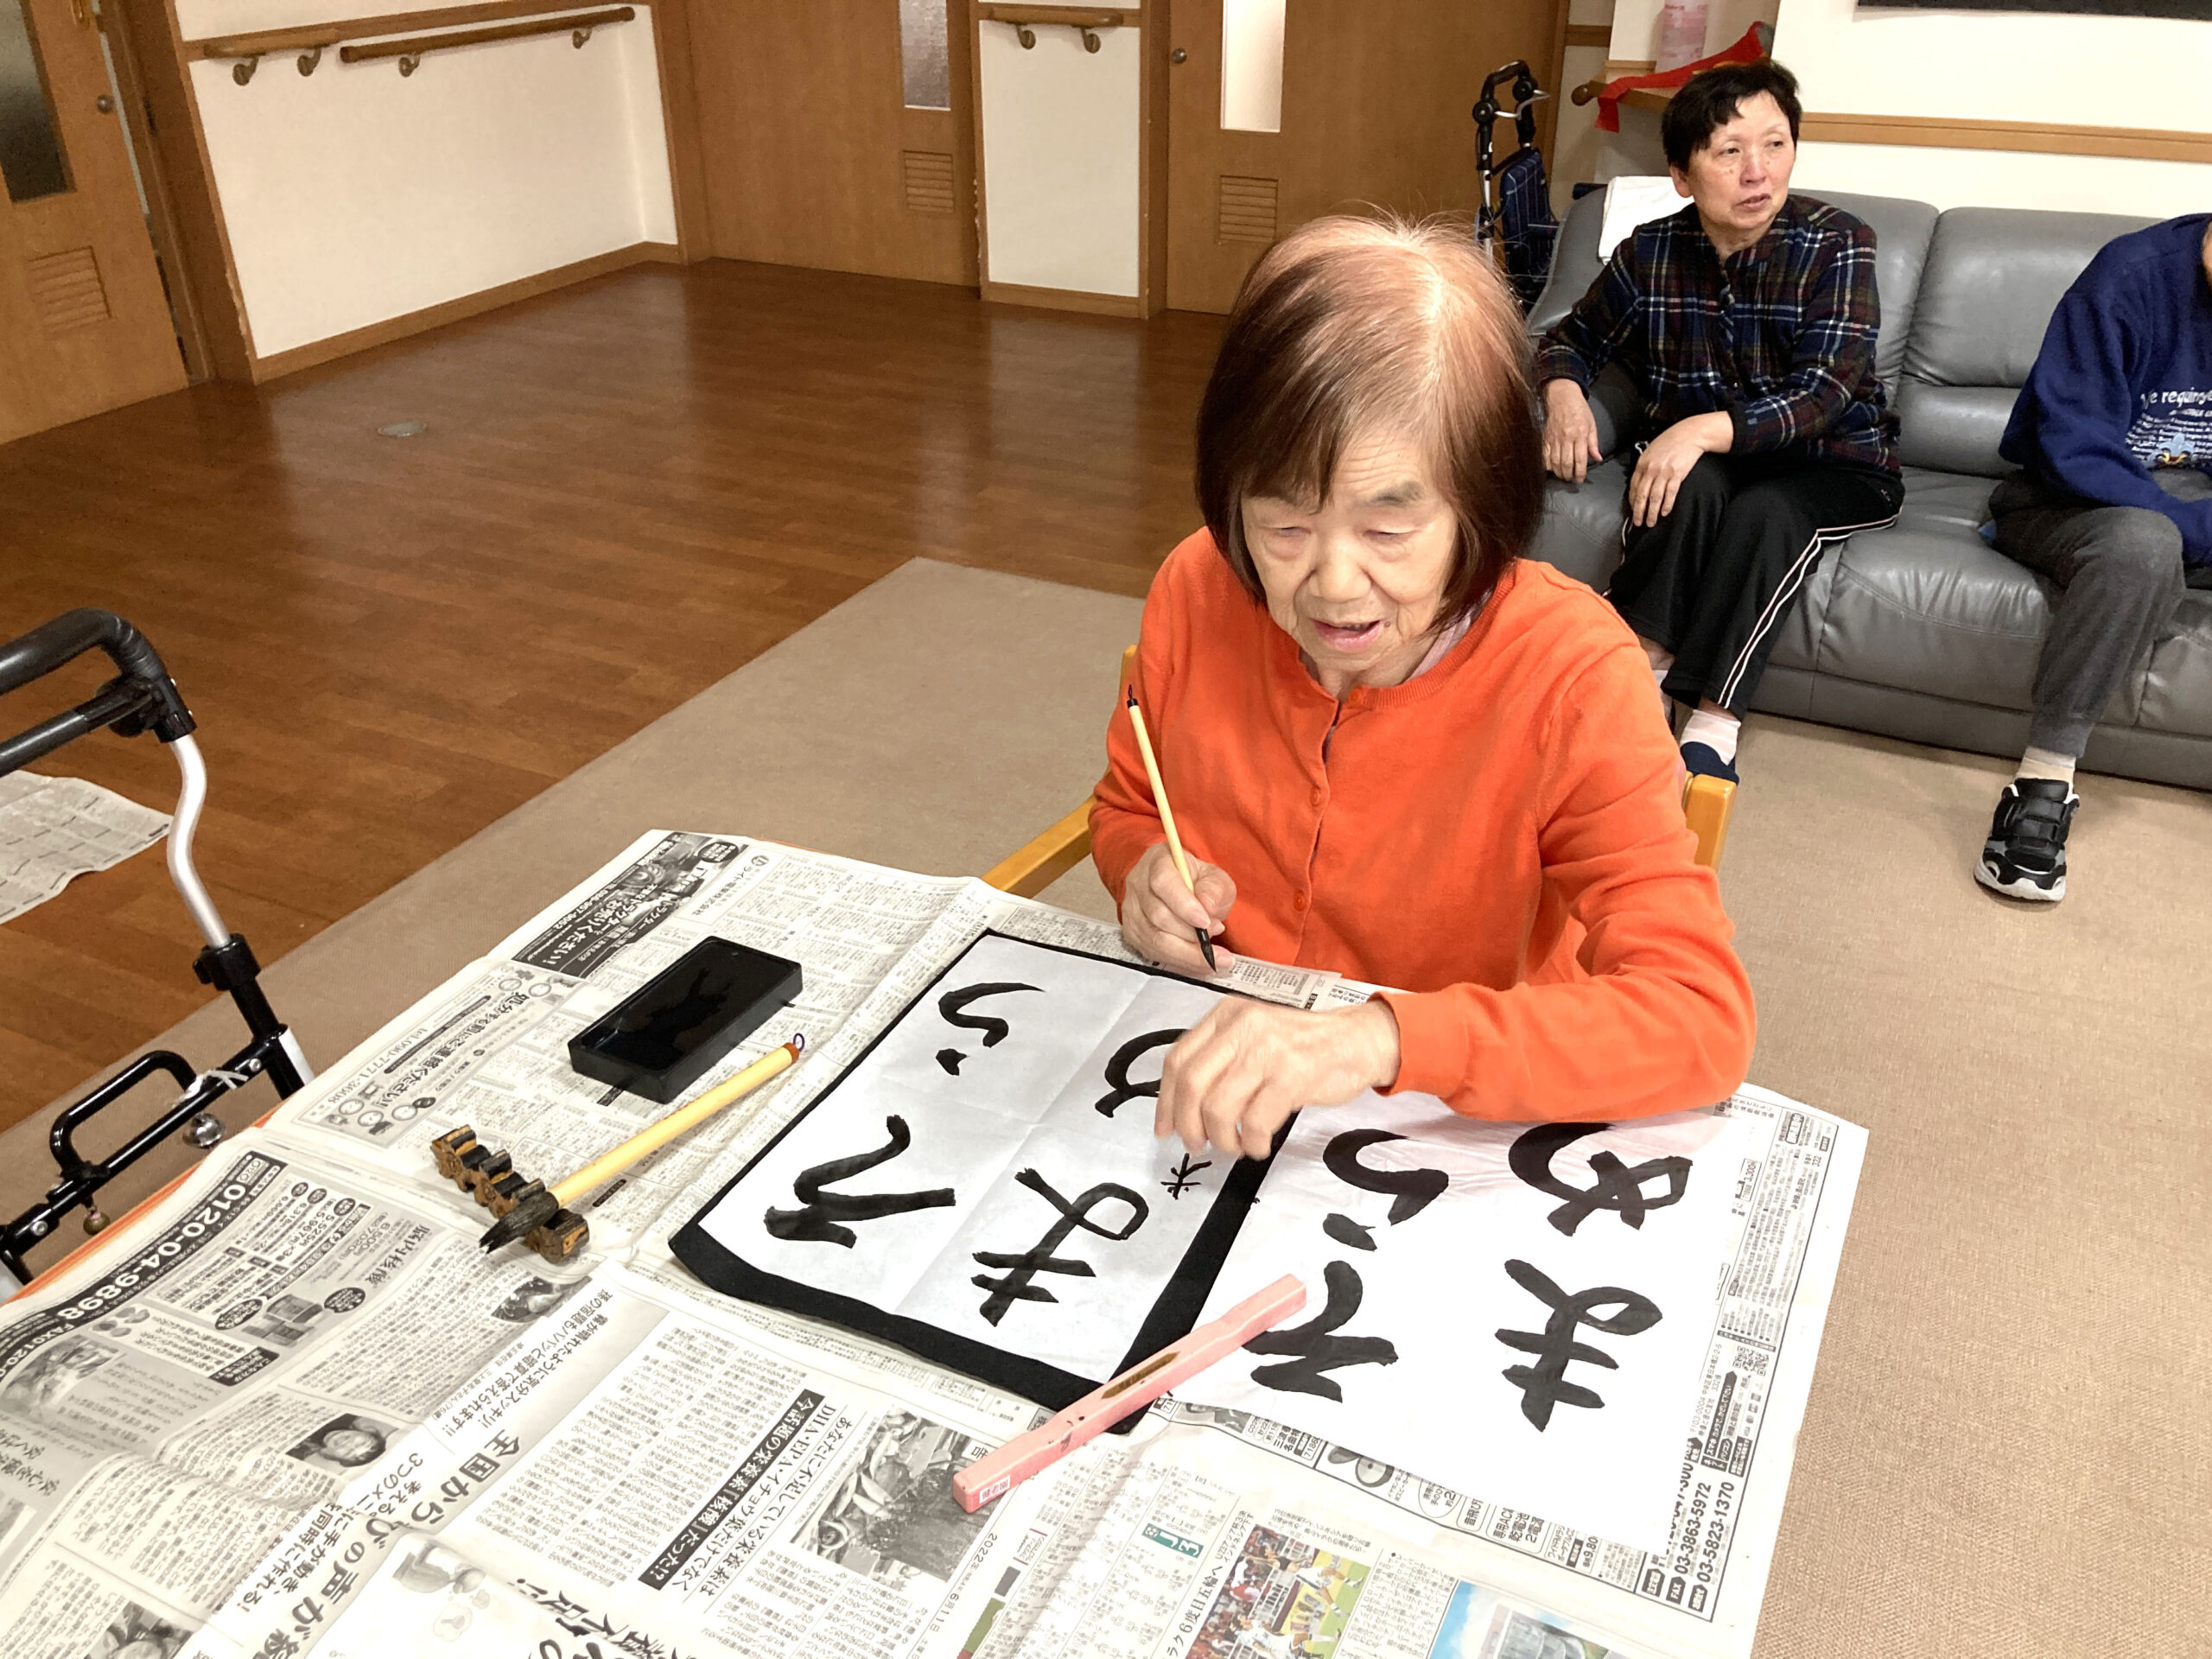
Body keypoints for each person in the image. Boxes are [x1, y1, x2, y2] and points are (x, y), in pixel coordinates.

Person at [1088, 214, 1755, 1161]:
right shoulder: (1197, 585)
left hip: (1440, 1127)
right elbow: (1126, 806)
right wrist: (1145, 873)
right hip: (1216, 1087)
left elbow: (1698, 1018)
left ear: (1481, 508)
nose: (1331, 585)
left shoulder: (1574, 675)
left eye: (1388, 532)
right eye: (1283, 526)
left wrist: (1380, 1038)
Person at [1535, 60, 1902, 784]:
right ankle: (1641, 675)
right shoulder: (1651, 251)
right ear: (1682, 175)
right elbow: (1569, 338)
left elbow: (1825, 393)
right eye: (1729, 152)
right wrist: (1565, 394)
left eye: (1775, 145)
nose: (1757, 172)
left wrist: (1698, 430)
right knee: (1686, 487)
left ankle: (1715, 716)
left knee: (1767, 510)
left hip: (1835, 460)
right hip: (1716, 460)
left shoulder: (1839, 243)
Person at [1977, 213, 2212, 902]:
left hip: (2195, 511)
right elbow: (2072, 445)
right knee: (2146, 545)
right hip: (2072, 499)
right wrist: (2192, 530)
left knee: (2159, 539)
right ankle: (2042, 784)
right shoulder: (2128, 276)